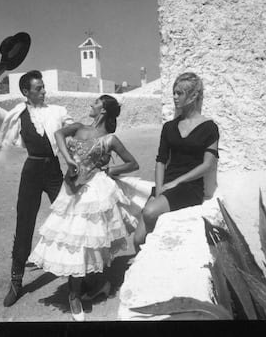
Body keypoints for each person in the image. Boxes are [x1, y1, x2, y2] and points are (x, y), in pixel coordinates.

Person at [28, 95, 140, 321]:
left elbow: (133, 163)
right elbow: (59, 134)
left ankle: (74, 295)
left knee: (84, 241)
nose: (91, 104)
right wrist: (69, 160)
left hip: (93, 193)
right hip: (71, 189)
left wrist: (108, 172)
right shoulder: (78, 127)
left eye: (96, 102)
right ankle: (97, 284)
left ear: (104, 110)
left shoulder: (110, 139)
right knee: (74, 240)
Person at [0, 64, 73, 307]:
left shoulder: (58, 111)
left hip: (54, 171)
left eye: (43, 88)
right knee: (24, 225)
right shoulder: (17, 114)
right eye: (39, 89)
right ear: (26, 92)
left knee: (70, 217)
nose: (44, 92)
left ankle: (79, 277)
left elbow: (72, 131)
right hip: (31, 172)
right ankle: (16, 283)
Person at [133, 72, 219, 252]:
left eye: (179, 93)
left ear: (194, 96)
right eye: (174, 92)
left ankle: (154, 259)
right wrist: (159, 188)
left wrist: (177, 182)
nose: (174, 97)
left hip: (189, 187)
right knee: (137, 239)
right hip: (166, 184)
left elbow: (207, 165)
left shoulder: (209, 128)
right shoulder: (169, 127)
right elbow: (161, 161)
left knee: (149, 213)